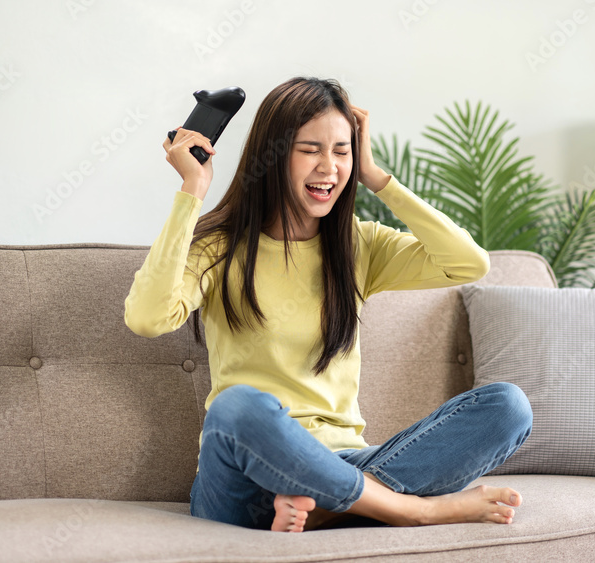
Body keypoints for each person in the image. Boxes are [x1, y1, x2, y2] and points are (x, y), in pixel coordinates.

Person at [124, 77, 532, 533]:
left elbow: (468, 264)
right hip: (246, 485)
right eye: (310, 149)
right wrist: (192, 189)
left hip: (344, 460)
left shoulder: (358, 245)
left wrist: (378, 179)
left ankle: (326, 509)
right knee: (237, 407)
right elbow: (146, 318)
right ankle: (408, 510)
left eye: (342, 151)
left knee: (508, 407)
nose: (329, 167)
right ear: (274, 154)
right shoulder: (221, 247)